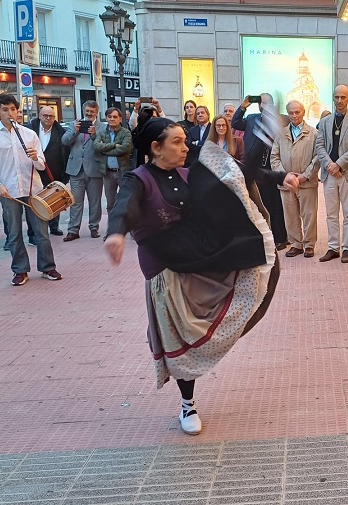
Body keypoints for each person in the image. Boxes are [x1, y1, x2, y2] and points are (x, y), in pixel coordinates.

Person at [104, 113, 297, 435]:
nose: (185, 147)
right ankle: (187, 403)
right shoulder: (138, 179)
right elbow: (126, 206)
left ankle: (201, 367)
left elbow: (232, 174)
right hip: (165, 268)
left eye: (184, 140)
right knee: (180, 335)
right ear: (155, 147)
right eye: (176, 142)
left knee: (245, 282)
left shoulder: (188, 170)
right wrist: (116, 232)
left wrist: (279, 177)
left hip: (198, 257)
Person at [0, 93, 62, 286]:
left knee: (42, 232)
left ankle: (48, 267)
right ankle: (20, 270)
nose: (10, 113)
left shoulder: (30, 134)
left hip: (34, 190)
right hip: (8, 191)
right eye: (5, 110)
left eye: (13, 109)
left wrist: (34, 158)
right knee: (14, 233)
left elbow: (42, 165)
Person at [233, 93, 289, 249]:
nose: (262, 106)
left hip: (275, 167)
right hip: (256, 168)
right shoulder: (252, 118)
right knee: (260, 204)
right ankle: (266, 236)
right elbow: (235, 123)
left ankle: (281, 238)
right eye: (260, 103)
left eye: (266, 103)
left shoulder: (282, 119)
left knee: (276, 205)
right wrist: (243, 106)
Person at [316, 85, 348, 264]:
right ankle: (333, 247)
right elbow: (319, 145)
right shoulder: (325, 122)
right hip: (330, 174)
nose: (339, 101)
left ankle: (346, 248)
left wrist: (339, 165)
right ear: (333, 98)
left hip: (347, 174)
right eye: (337, 97)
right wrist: (330, 165)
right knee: (330, 214)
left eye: (343, 97)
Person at [270, 100, 319, 258]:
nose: (294, 115)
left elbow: (317, 157)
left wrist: (306, 175)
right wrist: (285, 176)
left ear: (303, 112)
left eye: (297, 112)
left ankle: (309, 244)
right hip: (287, 184)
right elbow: (274, 157)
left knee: (309, 215)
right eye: (291, 113)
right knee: (290, 215)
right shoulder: (280, 134)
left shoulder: (313, 133)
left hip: (306, 182)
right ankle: (296, 244)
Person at [62, 100, 104, 241]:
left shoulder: (102, 127)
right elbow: (65, 141)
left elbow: (104, 146)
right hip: (76, 169)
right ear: (83, 111)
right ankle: (73, 230)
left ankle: (94, 227)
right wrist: (75, 130)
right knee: (75, 202)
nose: (89, 114)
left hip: (94, 168)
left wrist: (94, 136)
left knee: (95, 201)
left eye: (92, 111)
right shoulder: (74, 125)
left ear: (97, 112)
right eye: (87, 111)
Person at [27, 106, 69, 236]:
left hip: (54, 170)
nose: (48, 118)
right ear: (39, 116)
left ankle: (54, 226)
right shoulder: (29, 129)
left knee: (54, 199)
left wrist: (64, 174)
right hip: (33, 170)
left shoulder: (60, 131)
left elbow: (65, 152)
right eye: (45, 115)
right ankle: (32, 231)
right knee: (33, 202)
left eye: (51, 116)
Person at [93, 107, 133, 217]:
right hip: (108, 173)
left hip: (122, 172)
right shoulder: (100, 133)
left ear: (120, 119)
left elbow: (125, 149)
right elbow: (96, 146)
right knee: (110, 203)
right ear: (106, 118)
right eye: (109, 117)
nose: (112, 119)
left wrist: (104, 150)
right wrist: (114, 145)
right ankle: (113, 230)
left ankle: (128, 229)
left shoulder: (126, 133)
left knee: (126, 202)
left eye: (115, 117)